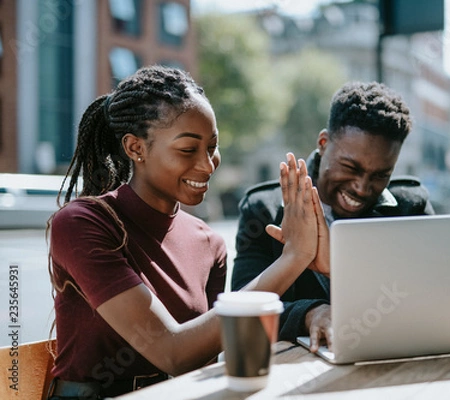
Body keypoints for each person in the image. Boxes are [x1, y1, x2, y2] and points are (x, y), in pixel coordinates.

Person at [47, 65, 323, 399]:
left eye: (212, 146)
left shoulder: (209, 243)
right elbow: (173, 352)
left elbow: (201, 361)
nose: (208, 165)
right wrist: (293, 258)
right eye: (188, 149)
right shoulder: (82, 223)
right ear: (136, 148)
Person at [232, 81, 434, 353]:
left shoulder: (411, 207)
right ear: (324, 143)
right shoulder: (263, 210)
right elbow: (242, 305)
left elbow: (431, 296)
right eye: (350, 167)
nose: (362, 188)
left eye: (380, 176)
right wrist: (309, 313)